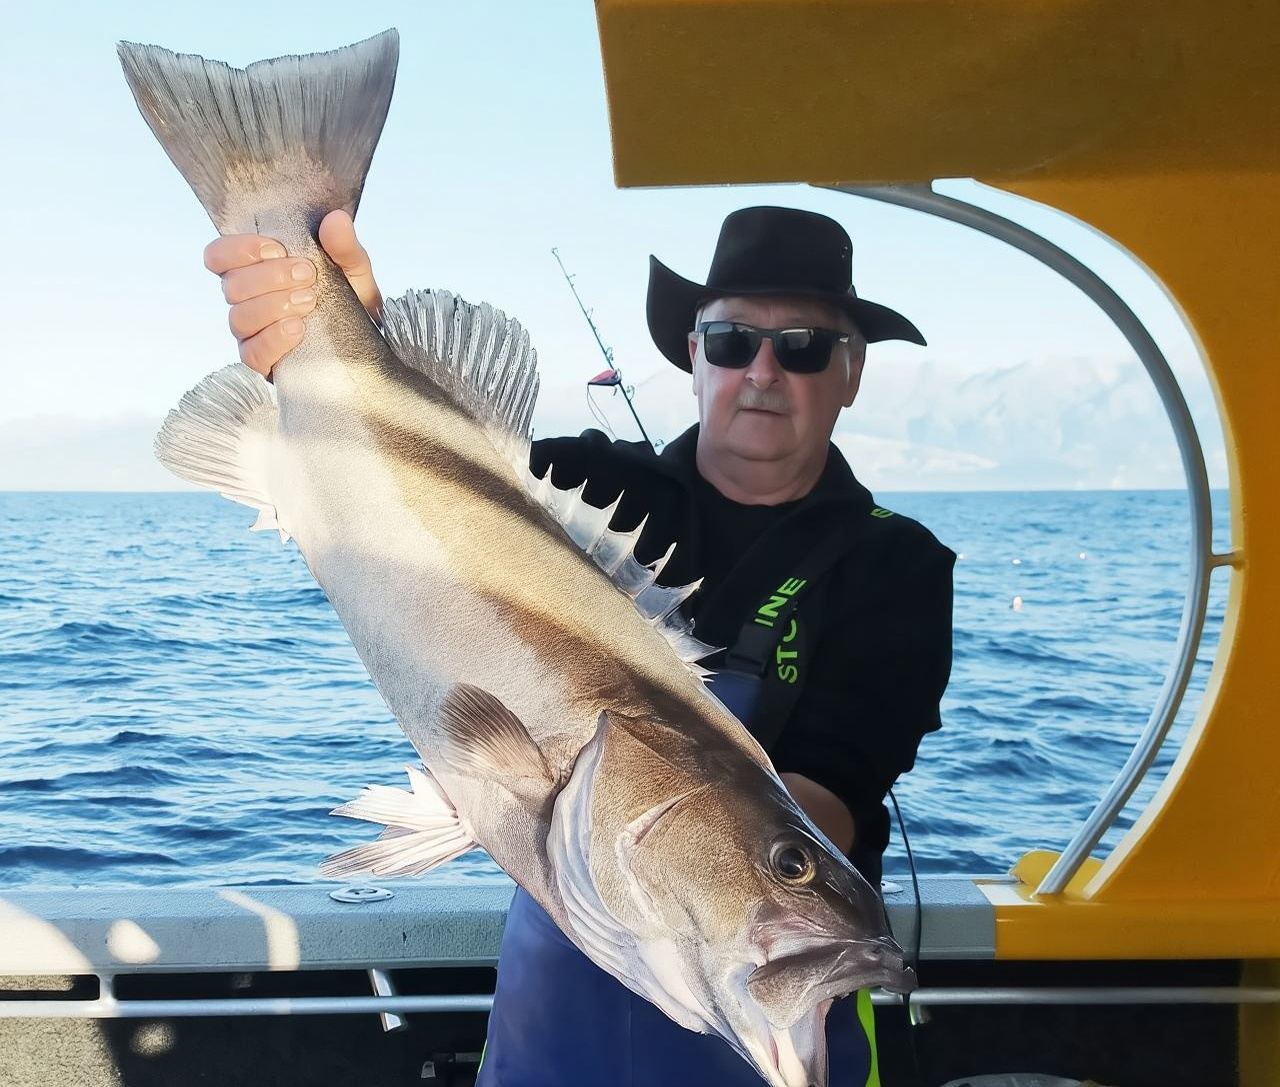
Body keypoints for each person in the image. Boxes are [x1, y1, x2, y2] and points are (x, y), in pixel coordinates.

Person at [203, 204, 955, 1086]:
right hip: (547, 1035)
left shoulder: (894, 564)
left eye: (802, 346)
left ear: (852, 373)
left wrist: (755, 883)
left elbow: (826, 798)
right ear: (691, 355)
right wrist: (346, 327)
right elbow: (422, 463)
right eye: (730, 342)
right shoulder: (590, 485)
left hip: (750, 1029)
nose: (762, 372)